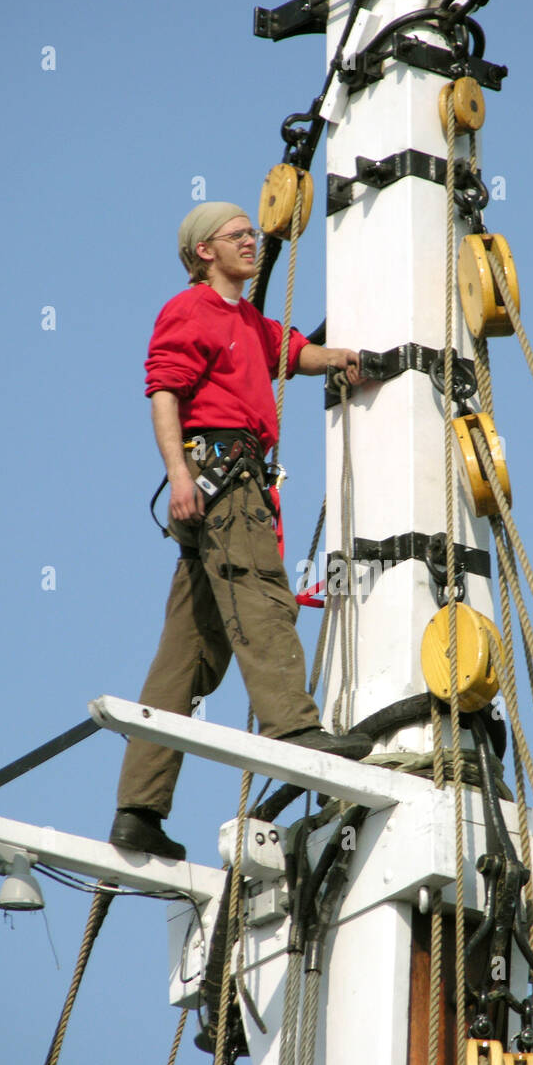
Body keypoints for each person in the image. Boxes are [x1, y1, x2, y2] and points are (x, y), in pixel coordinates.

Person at [109, 200, 372, 860]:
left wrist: (343, 357)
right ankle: (293, 730)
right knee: (259, 595)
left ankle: (138, 811)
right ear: (205, 252)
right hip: (223, 479)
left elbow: (294, 353)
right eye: (238, 236)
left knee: (188, 656)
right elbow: (164, 391)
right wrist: (177, 476)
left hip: (221, 483)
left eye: (251, 233)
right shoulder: (188, 311)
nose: (252, 242)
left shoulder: (248, 323)